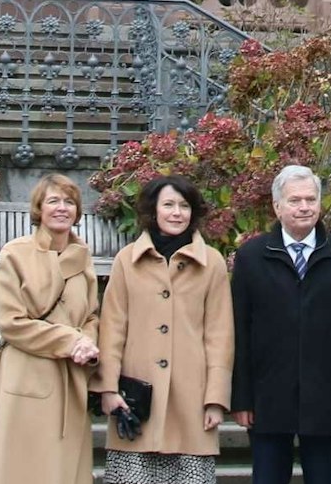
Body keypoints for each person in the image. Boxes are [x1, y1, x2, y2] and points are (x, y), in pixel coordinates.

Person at [229, 165, 331, 484]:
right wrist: (241, 398)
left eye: (311, 199)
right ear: (277, 206)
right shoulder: (252, 257)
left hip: (327, 399)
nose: (305, 207)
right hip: (268, 399)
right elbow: (239, 330)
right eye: (295, 200)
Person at [95, 174, 235, 484]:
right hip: (135, 399)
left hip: (192, 399)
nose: (176, 213)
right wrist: (107, 388)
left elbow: (220, 335)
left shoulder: (211, 263)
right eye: (168, 204)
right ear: (153, 210)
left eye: (184, 206)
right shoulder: (126, 261)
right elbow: (112, 328)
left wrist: (215, 398)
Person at [0, 172, 101, 484]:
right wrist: (70, 340)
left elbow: (90, 315)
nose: (62, 208)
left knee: (65, 468)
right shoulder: (16, 252)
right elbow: (11, 322)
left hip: (72, 376)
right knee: (24, 466)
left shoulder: (83, 256)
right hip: (27, 372)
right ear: (39, 208)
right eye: (53, 201)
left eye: (69, 201)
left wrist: (88, 342)